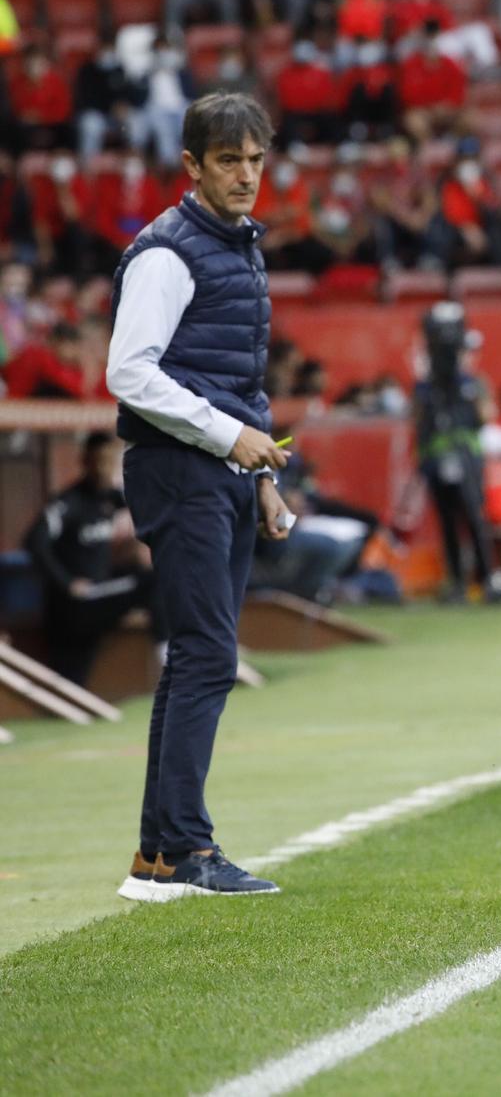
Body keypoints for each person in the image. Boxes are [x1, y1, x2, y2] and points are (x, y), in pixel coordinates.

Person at [105, 92, 292, 902]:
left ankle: (159, 854)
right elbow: (129, 372)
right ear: (191, 166)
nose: (246, 175)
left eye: (256, 159)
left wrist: (263, 477)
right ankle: (184, 848)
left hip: (220, 471)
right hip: (180, 470)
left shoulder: (237, 247)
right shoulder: (167, 253)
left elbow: (234, 379)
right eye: (228, 160)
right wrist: (226, 438)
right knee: (208, 654)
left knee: (196, 659)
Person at [22, 431, 156, 687]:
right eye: (99, 461)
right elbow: (34, 542)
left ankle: (168, 647)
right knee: (70, 681)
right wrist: (67, 583)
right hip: (75, 605)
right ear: (85, 462)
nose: (104, 469)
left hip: (101, 595)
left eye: (109, 461)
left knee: (157, 576)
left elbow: (146, 509)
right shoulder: (69, 503)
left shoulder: (112, 498)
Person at [412, 301, 501, 603]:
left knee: (475, 518)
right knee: (448, 520)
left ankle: (487, 579)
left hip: (467, 456)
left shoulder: (473, 383)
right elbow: (418, 421)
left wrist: (469, 386)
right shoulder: (425, 387)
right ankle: (457, 583)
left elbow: (487, 415)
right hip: (438, 457)